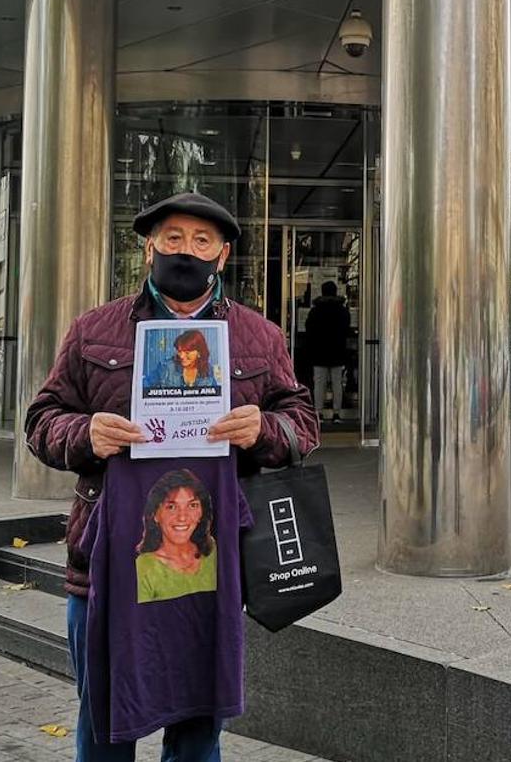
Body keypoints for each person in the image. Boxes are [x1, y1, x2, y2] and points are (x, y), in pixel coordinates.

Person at [24, 191, 320, 761]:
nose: (187, 251)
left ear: (223, 255)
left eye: (202, 241)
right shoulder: (94, 330)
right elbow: (41, 421)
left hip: (210, 566)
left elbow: (301, 422)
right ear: (149, 248)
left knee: (197, 726)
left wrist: (265, 428)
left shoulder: (260, 335)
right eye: (174, 238)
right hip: (107, 562)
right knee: (105, 719)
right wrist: (84, 435)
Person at [136, 469, 217, 604]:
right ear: (155, 514)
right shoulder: (143, 568)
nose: (182, 517)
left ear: (202, 512)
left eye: (192, 505)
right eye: (172, 507)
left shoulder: (214, 550)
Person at [305, 281, 352, 423]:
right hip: (338, 351)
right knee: (337, 383)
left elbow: (309, 329)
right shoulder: (343, 311)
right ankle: (337, 413)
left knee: (319, 384)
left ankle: (318, 413)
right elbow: (346, 329)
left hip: (319, 352)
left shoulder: (315, 311)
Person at [145, 329, 219, 390]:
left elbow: (217, 396)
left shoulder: (208, 370)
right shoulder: (166, 367)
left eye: (187, 352)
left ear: (199, 353)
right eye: (180, 351)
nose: (182, 356)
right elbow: (144, 386)